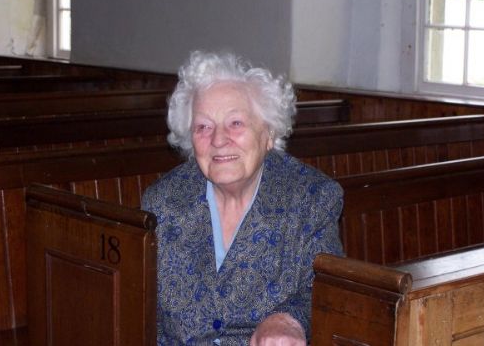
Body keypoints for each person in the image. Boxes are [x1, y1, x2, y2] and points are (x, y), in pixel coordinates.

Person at [142, 51, 344, 345]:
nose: (219, 140)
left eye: (235, 123)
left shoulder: (311, 199)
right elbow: (140, 306)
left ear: (269, 133)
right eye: (203, 127)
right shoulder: (161, 203)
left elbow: (326, 287)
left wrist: (289, 318)